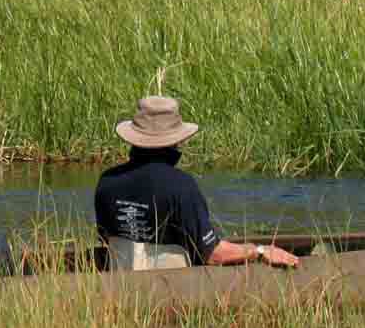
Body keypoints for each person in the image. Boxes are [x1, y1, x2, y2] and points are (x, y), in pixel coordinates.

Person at [94, 94, 301, 270]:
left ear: (134, 138)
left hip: (122, 287)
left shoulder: (107, 181)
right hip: (175, 292)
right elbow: (212, 255)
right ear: (175, 141)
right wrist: (260, 251)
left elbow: (105, 238)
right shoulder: (181, 185)